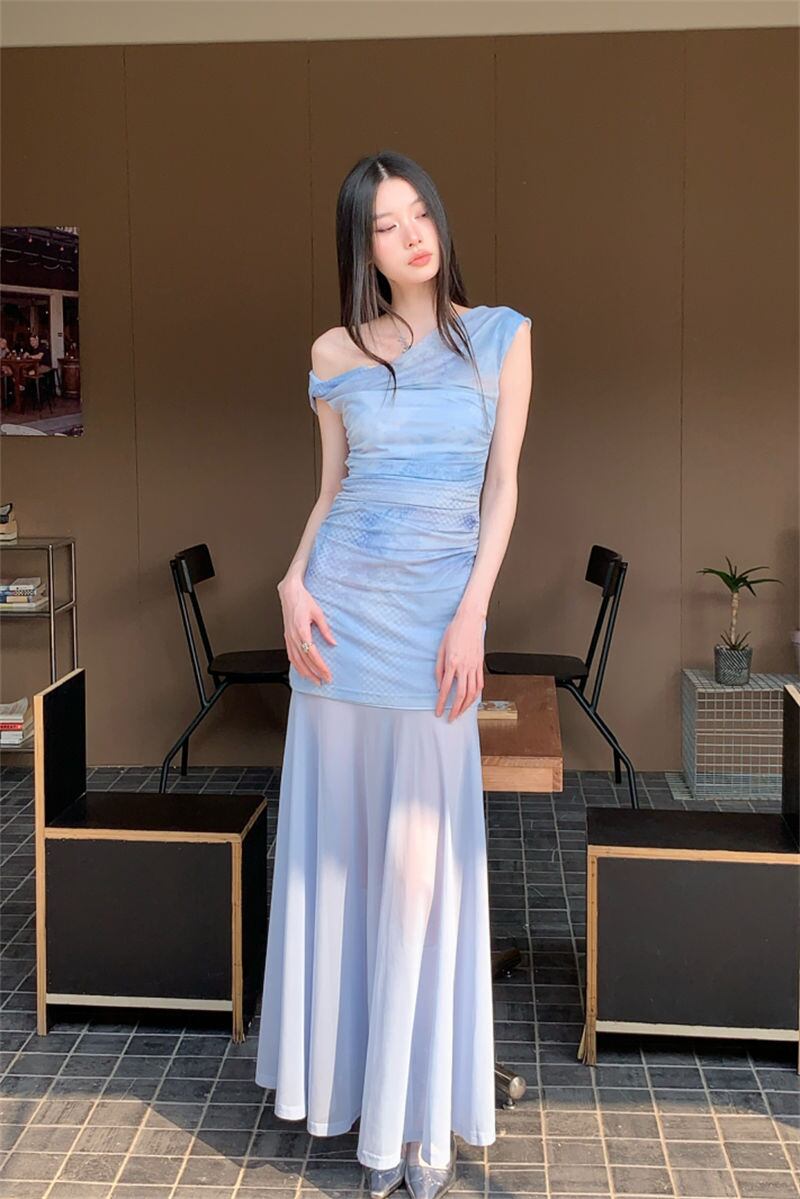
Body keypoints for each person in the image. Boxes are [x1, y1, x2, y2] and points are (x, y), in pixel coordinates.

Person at [255, 150, 533, 1199]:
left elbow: (501, 487)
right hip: (339, 625)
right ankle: (356, 1102)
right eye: (385, 223)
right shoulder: (333, 351)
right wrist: (292, 580)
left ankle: (418, 1121)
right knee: (345, 864)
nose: (412, 235)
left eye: (420, 214)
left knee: (420, 871)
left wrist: (472, 614)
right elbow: (332, 489)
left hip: (433, 633)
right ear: (360, 244)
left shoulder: (498, 336)